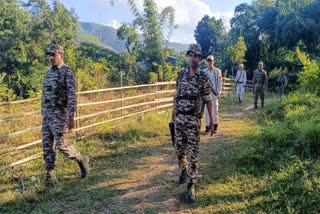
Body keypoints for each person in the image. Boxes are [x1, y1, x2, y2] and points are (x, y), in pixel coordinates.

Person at [41, 44, 89, 186]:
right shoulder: (48, 73)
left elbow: (72, 96)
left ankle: (82, 159)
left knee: (62, 145)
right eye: (49, 55)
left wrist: (71, 116)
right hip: (47, 114)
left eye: (53, 55)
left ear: (61, 55)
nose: (51, 58)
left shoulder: (67, 72)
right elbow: (45, 95)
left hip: (60, 114)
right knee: (47, 146)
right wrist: (43, 113)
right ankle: (50, 176)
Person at [172, 44, 214, 203]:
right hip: (179, 120)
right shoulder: (181, 74)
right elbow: (176, 97)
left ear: (200, 59)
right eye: (190, 55)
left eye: (195, 56)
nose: (192, 58)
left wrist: (210, 122)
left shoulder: (203, 78)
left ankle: (191, 184)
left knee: (193, 154)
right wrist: (172, 117)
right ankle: (183, 170)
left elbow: (208, 101)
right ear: (188, 56)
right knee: (179, 150)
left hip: (193, 121)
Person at [202, 55, 222, 134]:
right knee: (206, 111)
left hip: (215, 94)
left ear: (213, 61)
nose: (210, 62)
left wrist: (219, 92)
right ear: (207, 62)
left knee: (215, 110)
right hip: (206, 94)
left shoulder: (218, 71)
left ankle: (215, 126)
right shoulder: (204, 72)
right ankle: (207, 127)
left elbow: (220, 82)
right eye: (208, 60)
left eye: (211, 60)